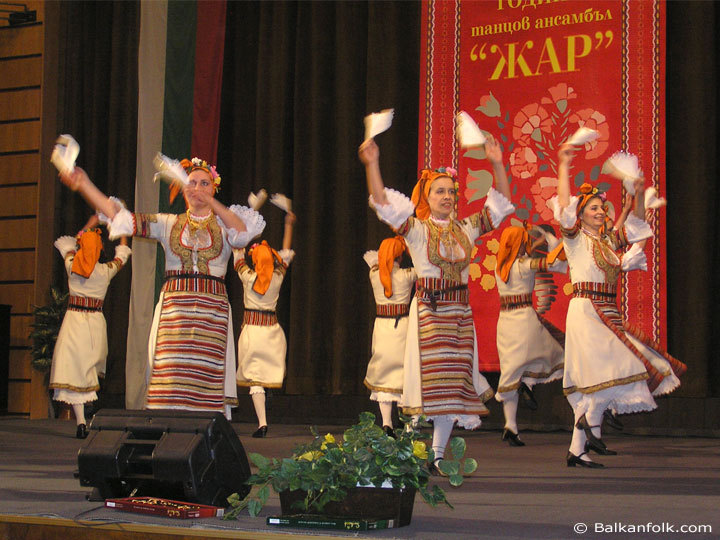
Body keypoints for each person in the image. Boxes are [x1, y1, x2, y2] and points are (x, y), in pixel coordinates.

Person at [58, 158, 265, 420]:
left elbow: (244, 232)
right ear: (182, 188)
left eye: (205, 184)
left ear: (214, 189)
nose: (198, 188)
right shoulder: (168, 223)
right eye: (192, 183)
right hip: (174, 315)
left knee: (206, 381)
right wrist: (84, 184)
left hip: (211, 316)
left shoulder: (226, 226)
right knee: (170, 379)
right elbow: (122, 218)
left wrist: (210, 202)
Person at [358, 135, 514, 474]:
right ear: (427, 198)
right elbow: (383, 203)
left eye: (450, 190)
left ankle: (438, 454)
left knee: (454, 386)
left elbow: (500, 204)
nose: (446, 196)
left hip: (460, 315)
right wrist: (373, 164)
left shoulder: (466, 229)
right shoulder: (415, 230)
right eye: (438, 191)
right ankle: (408, 449)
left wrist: (497, 162)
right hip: (429, 313)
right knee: (426, 382)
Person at [549, 143, 686, 468]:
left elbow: (636, 227)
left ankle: (578, 448)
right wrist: (564, 164)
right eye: (593, 208)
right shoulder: (575, 237)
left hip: (607, 309)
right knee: (609, 369)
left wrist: (636, 196)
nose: (600, 212)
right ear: (580, 214)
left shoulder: (607, 241)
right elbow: (565, 206)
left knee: (608, 372)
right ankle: (588, 428)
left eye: (602, 208)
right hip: (586, 309)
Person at [49, 215, 131, 438]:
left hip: (74, 321)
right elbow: (121, 256)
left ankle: (82, 420)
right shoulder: (105, 271)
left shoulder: (71, 267)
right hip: (94, 323)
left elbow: (75, 243)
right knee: (87, 370)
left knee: (74, 370)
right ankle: (86, 417)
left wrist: (93, 222)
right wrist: (122, 230)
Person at [494, 224, 566, 446]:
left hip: (505, 322)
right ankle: (527, 384)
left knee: (512, 370)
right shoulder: (525, 265)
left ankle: (510, 426)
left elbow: (518, 250)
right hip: (524, 320)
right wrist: (557, 240)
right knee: (555, 354)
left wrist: (534, 242)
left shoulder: (499, 267)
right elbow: (555, 262)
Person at [233, 209, 296, 438]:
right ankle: (267, 393)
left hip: (252, 331)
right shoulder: (277, 277)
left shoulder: (247, 276)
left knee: (254, 380)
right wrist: (288, 225)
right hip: (272, 332)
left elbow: (237, 249)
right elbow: (286, 254)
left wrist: (243, 225)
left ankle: (262, 423)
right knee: (265, 374)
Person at [363, 236, 416, 437]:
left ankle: (387, 424)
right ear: (400, 257)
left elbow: (377, 262)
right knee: (405, 374)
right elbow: (424, 264)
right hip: (402, 326)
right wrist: (408, 243)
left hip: (382, 327)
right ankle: (408, 426)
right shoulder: (407, 275)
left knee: (383, 374)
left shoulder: (374, 274)